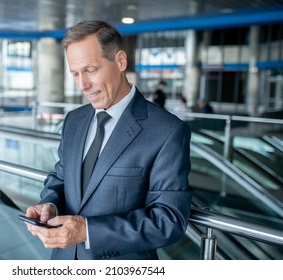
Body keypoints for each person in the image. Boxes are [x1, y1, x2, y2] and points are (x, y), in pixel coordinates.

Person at [25, 20, 192, 260]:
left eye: (90, 70)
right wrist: (50, 206)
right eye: (75, 74)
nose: (82, 85)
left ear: (120, 61)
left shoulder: (168, 131)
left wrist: (88, 232)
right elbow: (61, 179)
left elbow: (168, 220)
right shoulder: (74, 121)